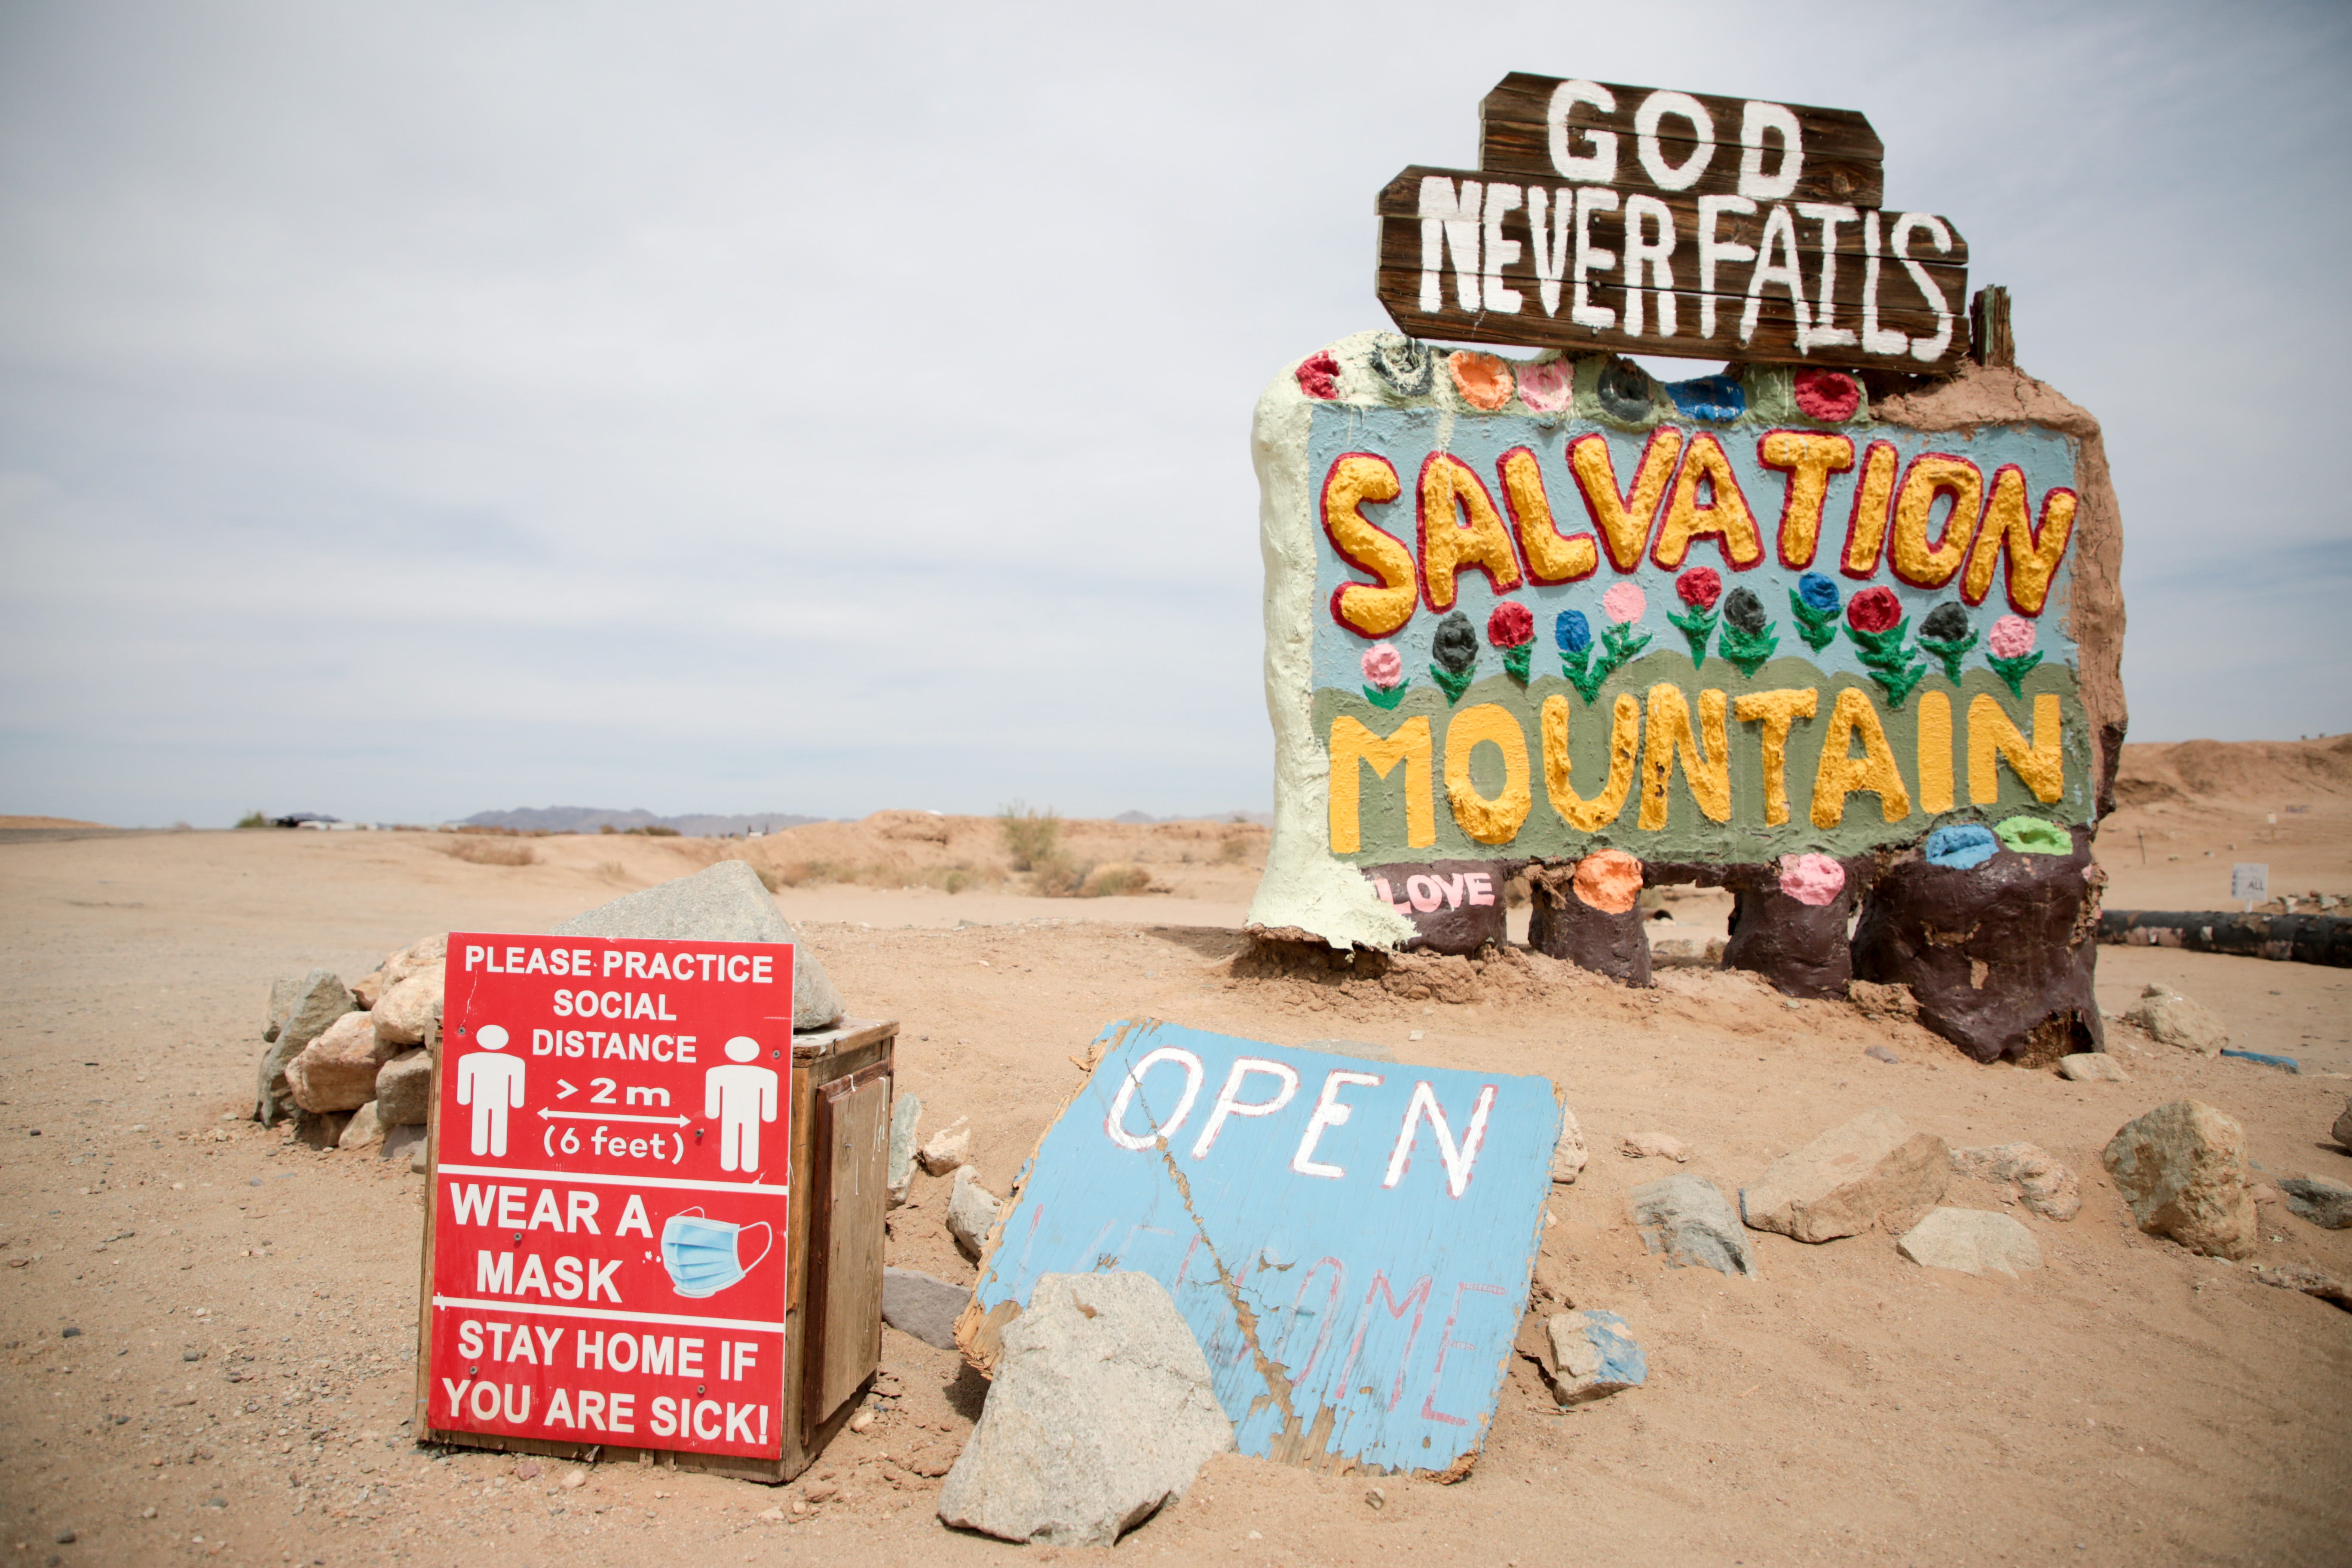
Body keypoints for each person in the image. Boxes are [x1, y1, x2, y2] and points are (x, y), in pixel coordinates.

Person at [704, 1037, 778, 1173]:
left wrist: (713, 1111)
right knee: (745, 1135)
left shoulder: (719, 1072)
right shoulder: (764, 1074)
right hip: (743, 1112)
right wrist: (769, 1114)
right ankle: (743, 1166)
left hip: (740, 1111)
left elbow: (712, 1095)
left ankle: (734, 1165)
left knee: (738, 1135)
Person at [455, 1024, 526, 1158]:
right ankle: (491, 1150)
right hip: (492, 1099)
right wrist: (517, 1101)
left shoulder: (470, 1059)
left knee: (487, 1120)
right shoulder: (514, 1062)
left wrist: (464, 1098)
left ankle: (484, 1150)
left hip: (490, 1098)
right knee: (494, 1121)